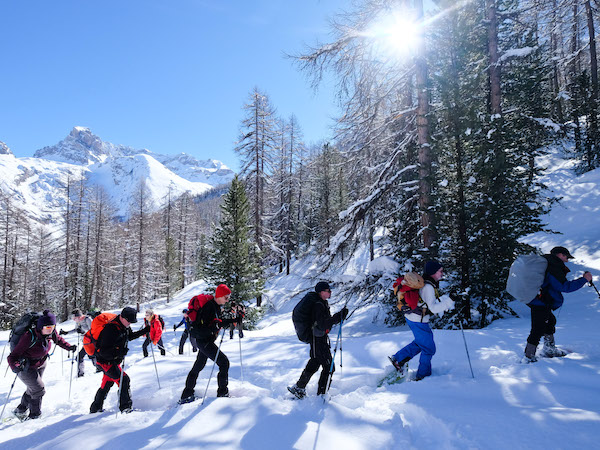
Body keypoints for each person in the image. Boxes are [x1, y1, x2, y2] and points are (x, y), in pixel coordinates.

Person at [524, 246, 592, 362]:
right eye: (566, 257)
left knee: (550, 322)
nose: (567, 260)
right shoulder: (553, 266)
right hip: (540, 301)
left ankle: (549, 349)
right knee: (538, 328)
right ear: (560, 254)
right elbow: (564, 286)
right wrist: (584, 279)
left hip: (539, 299)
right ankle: (528, 357)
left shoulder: (546, 263)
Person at [388, 260, 454, 381]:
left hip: (414, 318)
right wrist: (449, 301)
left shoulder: (427, 283)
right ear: (433, 272)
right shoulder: (428, 287)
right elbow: (433, 308)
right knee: (429, 348)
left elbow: (428, 304)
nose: (442, 274)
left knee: (422, 343)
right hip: (418, 320)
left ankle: (398, 359)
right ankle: (423, 376)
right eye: (440, 271)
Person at [8, 310, 76, 420]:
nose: (50, 330)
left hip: (41, 363)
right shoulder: (29, 336)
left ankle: (20, 410)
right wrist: (15, 366)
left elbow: (58, 340)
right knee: (39, 390)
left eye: (52, 327)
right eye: (47, 328)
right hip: (26, 366)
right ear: (40, 327)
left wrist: (69, 347)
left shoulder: (51, 332)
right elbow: (13, 356)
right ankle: (34, 416)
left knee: (33, 389)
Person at [287, 282, 348, 399]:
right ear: (321, 292)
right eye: (328, 290)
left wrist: (337, 317)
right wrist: (338, 317)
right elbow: (322, 324)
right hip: (318, 339)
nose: (330, 292)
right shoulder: (318, 305)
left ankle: (299, 388)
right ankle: (322, 396)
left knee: (315, 362)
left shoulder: (320, 302)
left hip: (318, 338)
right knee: (329, 367)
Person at [179, 284, 239, 402]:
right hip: (203, 341)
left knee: (198, 366)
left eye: (228, 298)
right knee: (224, 362)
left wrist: (233, 320)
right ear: (220, 295)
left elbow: (216, 322)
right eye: (226, 298)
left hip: (206, 341)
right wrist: (216, 327)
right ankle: (222, 394)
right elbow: (203, 328)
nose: (227, 300)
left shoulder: (216, 306)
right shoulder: (209, 307)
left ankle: (186, 395)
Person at [89, 306, 149, 413]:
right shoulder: (111, 329)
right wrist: (118, 353)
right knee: (124, 380)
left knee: (107, 383)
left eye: (131, 322)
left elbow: (129, 336)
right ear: (122, 317)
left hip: (113, 361)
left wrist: (145, 330)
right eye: (129, 321)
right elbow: (103, 351)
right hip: (105, 361)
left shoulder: (123, 326)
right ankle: (125, 408)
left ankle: (95, 408)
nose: (129, 324)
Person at [59, 309, 99, 377]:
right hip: (85, 343)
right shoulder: (78, 321)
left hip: (91, 342)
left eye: (74, 318)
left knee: (83, 356)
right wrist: (66, 332)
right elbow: (76, 330)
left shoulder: (87, 319)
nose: (73, 319)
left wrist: (83, 332)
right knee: (89, 356)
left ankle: (83, 373)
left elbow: (93, 331)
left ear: (79, 316)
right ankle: (98, 368)